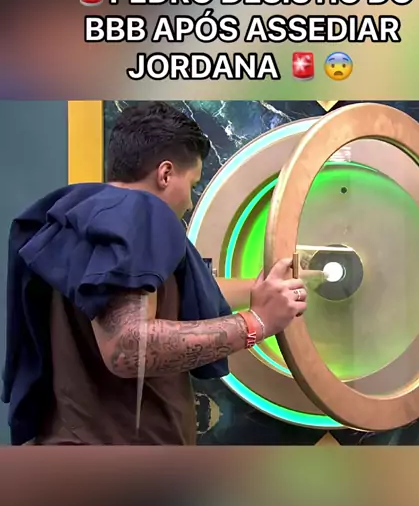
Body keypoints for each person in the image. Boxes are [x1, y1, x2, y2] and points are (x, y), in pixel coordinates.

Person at [2, 102, 307, 445]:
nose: (189, 203)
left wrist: (260, 291)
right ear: (165, 174)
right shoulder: (141, 211)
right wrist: (257, 322)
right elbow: (127, 348)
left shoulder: (76, 220)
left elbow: (158, 294)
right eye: (192, 184)